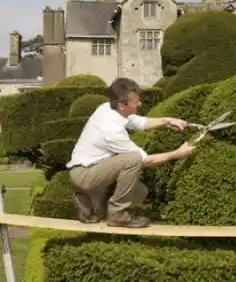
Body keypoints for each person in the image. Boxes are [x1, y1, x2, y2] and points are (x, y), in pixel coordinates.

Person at [66, 77, 195, 228]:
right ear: (122, 105)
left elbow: (140, 122)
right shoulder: (111, 129)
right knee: (133, 159)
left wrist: (167, 121)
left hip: (91, 168)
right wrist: (177, 154)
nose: (140, 104)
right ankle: (118, 215)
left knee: (139, 192)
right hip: (85, 174)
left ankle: (88, 201)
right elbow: (143, 160)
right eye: (136, 102)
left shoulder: (109, 108)